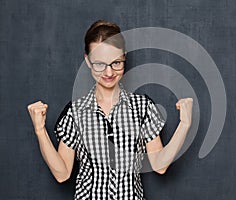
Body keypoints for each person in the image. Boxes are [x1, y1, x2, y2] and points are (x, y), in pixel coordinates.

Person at [27, 20, 193, 200]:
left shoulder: (142, 108)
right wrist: (40, 130)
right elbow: (62, 174)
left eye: (116, 63)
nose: (108, 73)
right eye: (99, 64)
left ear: (124, 58)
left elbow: (160, 165)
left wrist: (184, 125)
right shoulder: (74, 112)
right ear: (88, 61)